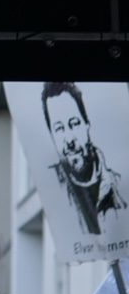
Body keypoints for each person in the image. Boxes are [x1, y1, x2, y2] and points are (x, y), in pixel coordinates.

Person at [42, 81, 127, 233]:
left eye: (74, 124)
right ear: (52, 135)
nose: (69, 140)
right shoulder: (52, 191)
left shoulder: (120, 186)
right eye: (59, 128)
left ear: (86, 124)